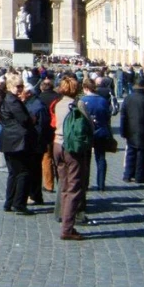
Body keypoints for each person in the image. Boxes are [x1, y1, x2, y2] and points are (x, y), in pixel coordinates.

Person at [53, 76, 89, 240]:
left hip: (57, 145)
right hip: (71, 147)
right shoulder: (77, 104)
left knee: (64, 183)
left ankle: (62, 216)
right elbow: (88, 124)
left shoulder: (58, 104)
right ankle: (68, 228)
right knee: (74, 187)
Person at [0, 73, 37, 215]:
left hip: (10, 140)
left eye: (21, 86)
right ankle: (19, 204)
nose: (20, 89)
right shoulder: (13, 101)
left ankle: (9, 202)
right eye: (18, 86)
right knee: (23, 173)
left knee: (14, 173)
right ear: (10, 86)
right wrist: (31, 119)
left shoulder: (8, 99)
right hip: (18, 142)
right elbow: (24, 120)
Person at [120, 74, 144, 184]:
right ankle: (139, 176)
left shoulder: (127, 99)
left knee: (130, 153)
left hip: (130, 131)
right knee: (142, 154)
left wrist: (123, 131)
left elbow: (123, 116)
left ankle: (127, 175)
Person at [80, 78, 113, 192]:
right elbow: (108, 116)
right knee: (101, 158)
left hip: (87, 133)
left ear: (85, 88)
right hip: (101, 131)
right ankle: (101, 184)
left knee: (86, 159)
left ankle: (85, 183)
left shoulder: (82, 100)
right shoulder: (103, 100)